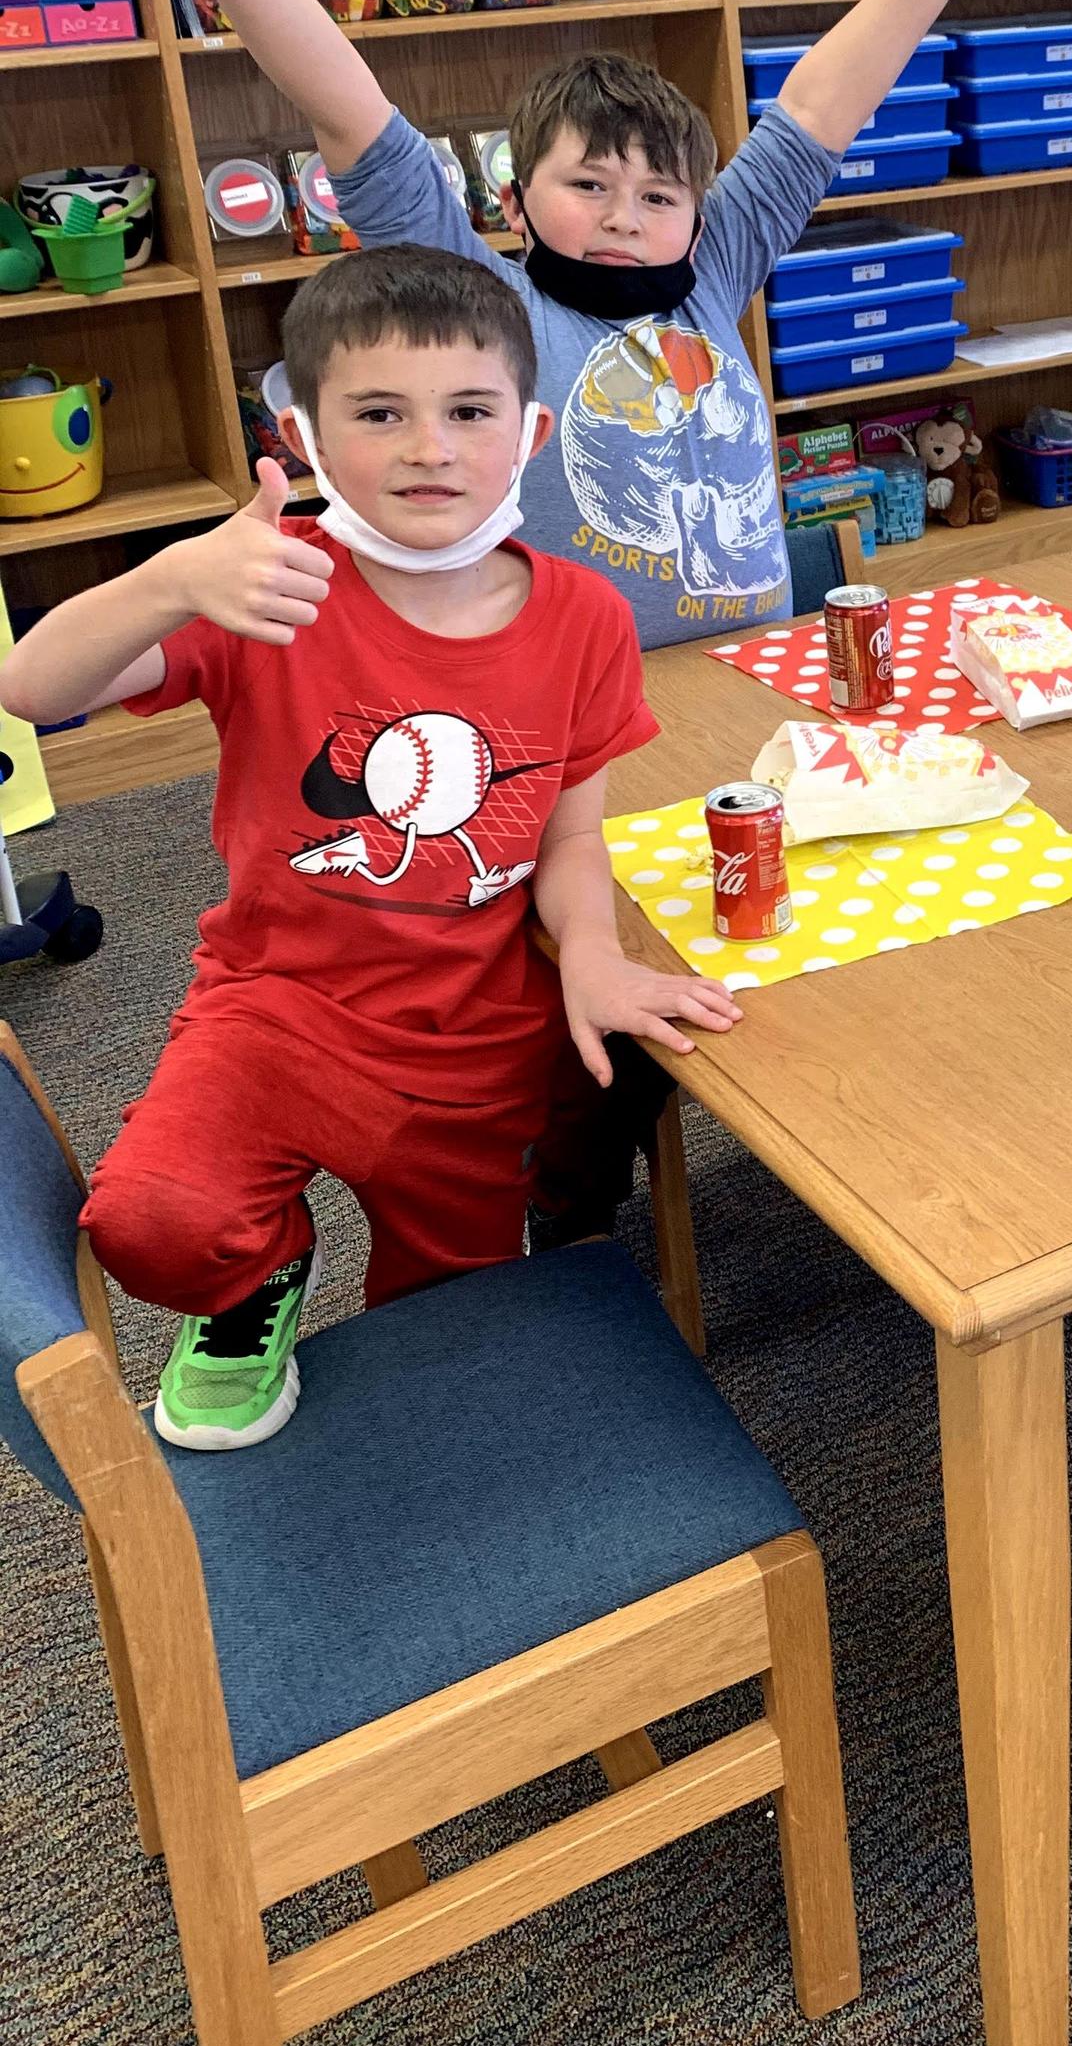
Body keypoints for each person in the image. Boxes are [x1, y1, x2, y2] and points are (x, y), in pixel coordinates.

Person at [0, 248, 735, 1453]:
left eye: (467, 412)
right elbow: (31, 686)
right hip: (276, 1010)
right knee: (148, 1227)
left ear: (531, 431)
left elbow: (572, 827)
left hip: (472, 1038)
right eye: (380, 413)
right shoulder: (266, 588)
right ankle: (263, 1278)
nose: (429, 448)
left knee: (448, 1341)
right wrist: (178, 576)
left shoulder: (584, 616)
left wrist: (593, 952)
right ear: (305, 434)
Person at [88, 0, 998, 650]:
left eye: (657, 196)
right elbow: (346, 105)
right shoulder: (488, 307)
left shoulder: (712, 273)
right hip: (568, 707)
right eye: (588, 186)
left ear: (697, 211)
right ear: (517, 203)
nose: (623, 218)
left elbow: (817, 106)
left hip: (749, 671)